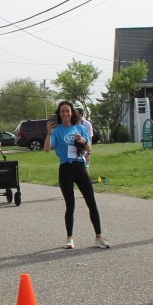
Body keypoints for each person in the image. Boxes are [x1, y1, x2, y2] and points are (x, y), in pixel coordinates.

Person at [44, 100, 110, 250]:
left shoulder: (80, 127)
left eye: (67, 111)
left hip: (80, 167)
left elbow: (89, 149)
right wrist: (48, 132)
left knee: (91, 202)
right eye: (62, 111)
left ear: (72, 113)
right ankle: (70, 238)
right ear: (59, 114)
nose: (65, 114)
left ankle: (99, 237)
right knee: (70, 204)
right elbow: (47, 149)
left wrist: (83, 140)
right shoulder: (57, 130)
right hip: (65, 168)